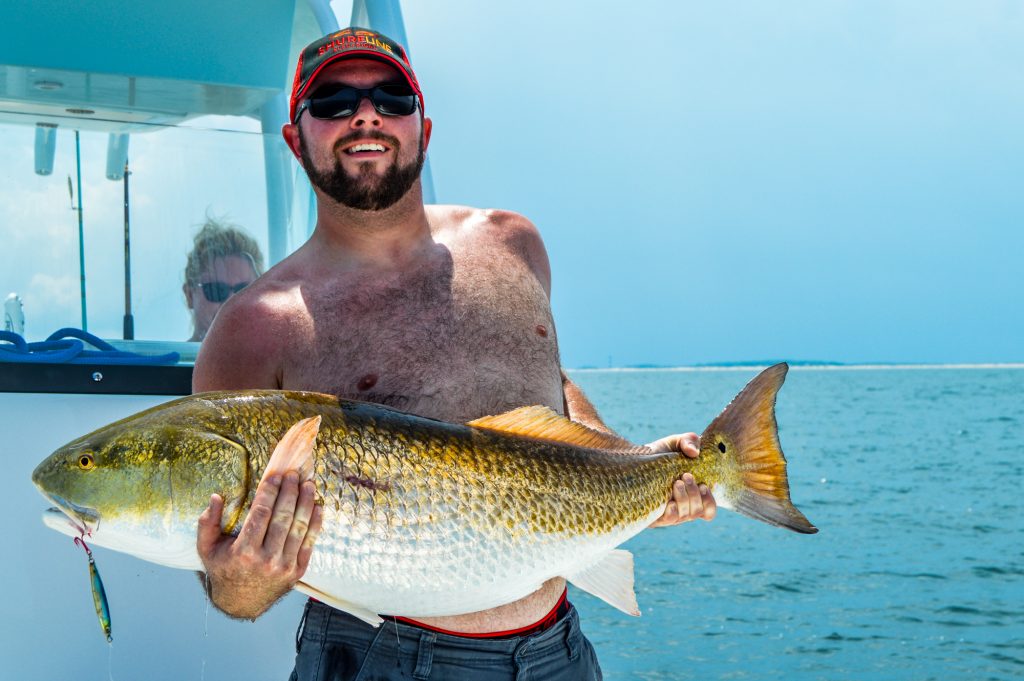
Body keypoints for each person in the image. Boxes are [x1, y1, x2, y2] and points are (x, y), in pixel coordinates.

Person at [192, 27, 716, 680]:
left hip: (560, 649)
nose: (366, 113)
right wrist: (240, 574)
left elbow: (549, 388)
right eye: (331, 101)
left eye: (391, 97)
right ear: (295, 139)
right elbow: (232, 590)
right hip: (383, 657)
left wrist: (635, 465)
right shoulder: (252, 329)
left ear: (423, 128)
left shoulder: (513, 243)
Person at [183, 218, 265, 341]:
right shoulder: (167, 360)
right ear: (189, 295)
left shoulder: (280, 359)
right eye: (217, 290)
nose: (231, 302)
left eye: (245, 291)